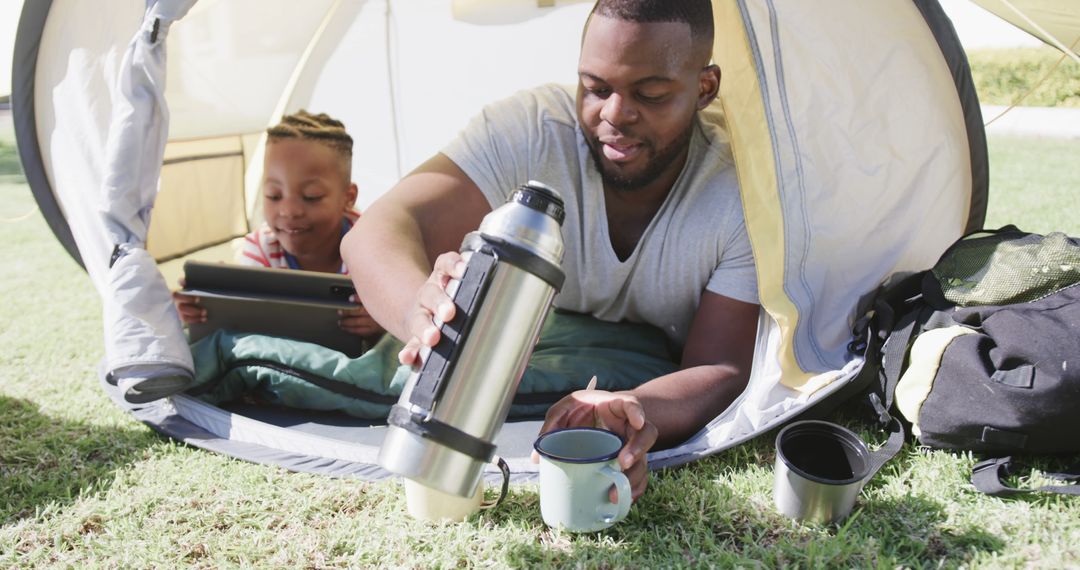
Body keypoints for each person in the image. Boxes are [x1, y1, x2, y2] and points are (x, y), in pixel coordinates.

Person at [341, 0, 759, 501]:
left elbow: (723, 367)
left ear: (704, 89)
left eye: (650, 93)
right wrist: (419, 311)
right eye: (596, 87)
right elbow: (373, 232)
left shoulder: (738, 194)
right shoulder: (533, 131)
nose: (614, 114)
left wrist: (631, 405)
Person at [173, 110, 383, 341]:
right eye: (273, 195)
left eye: (311, 196)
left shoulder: (371, 243)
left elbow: (402, 304)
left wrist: (382, 320)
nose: (288, 211)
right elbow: (248, 322)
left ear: (348, 197)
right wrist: (212, 304)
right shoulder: (260, 248)